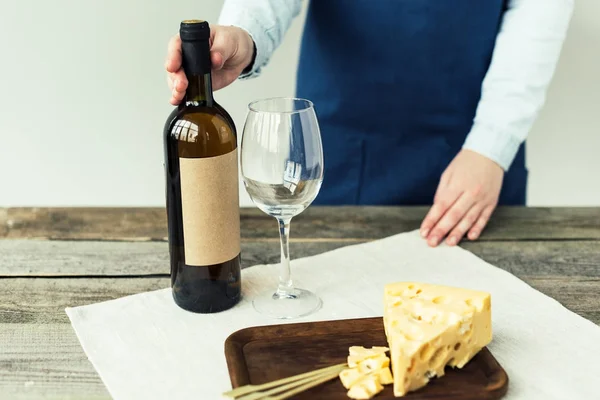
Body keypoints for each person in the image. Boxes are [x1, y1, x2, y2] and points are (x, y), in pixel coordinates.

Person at [165, 0, 573, 247]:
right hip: (342, 146)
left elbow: (539, 12)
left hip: (474, 153)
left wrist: (492, 145)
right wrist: (244, 36)